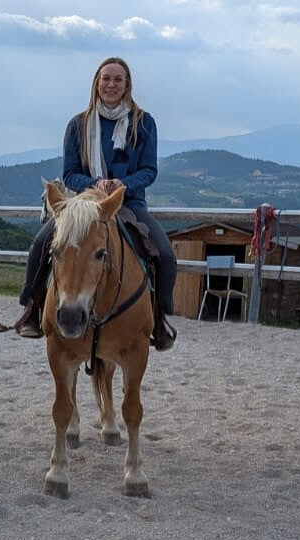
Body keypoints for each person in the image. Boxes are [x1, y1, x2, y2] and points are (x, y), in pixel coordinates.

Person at [13, 57, 178, 350]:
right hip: (83, 204)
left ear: (127, 85)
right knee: (41, 244)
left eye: (118, 79)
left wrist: (123, 184)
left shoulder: (144, 123)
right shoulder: (78, 124)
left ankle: (159, 318)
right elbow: (70, 174)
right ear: (97, 83)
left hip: (128, 202)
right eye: (106, 79)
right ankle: (33, 309)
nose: (111, 84)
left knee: (164, 254)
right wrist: (95, 184)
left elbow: (149, 171)